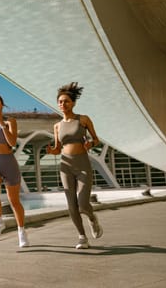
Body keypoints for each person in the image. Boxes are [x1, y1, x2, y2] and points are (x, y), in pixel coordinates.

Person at [46, 82, 103, 249]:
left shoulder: (83, 119)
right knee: (71, 205)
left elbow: (96, 139)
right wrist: (52, 151)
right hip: (65, 166)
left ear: (73, 103)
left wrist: (90, 145)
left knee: (83, 204)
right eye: (60, 102)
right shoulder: (57, 126)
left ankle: (92, 219)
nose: (63, 104)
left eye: (66, 101)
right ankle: (82, 237)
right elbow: (58, 149)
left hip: (83, 164)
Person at [0, 93, 29, 247]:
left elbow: (12, 142)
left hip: (8, 162)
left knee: (14, 201)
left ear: (2, 105)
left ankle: (21, 231)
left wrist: (2, 123)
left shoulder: (10, 121)